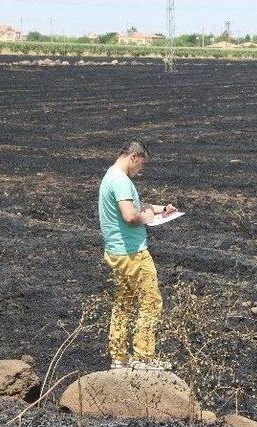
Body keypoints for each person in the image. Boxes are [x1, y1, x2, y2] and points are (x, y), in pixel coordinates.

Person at [98, 141, 177, 371]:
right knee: (151, 302)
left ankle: (119, 357)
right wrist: (149, 218)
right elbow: (131, 215)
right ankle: (143, 357)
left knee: (124, 303)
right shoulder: (121, 180)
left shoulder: (111, 176)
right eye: (140, 165)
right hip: (133, 254)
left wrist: (161, 209)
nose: (140, 170)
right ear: (133, 156)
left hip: (117, 252)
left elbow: (136, 205)